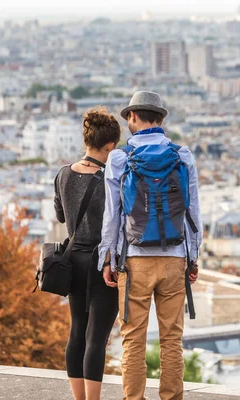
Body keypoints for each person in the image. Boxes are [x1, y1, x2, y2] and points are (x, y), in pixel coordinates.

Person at [98, 91, 202, 400]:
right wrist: (193, 257)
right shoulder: (182, 155)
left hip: (135, 260)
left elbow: (112, 216)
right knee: (172, 339)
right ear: (160, 119)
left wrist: (108, 258)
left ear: (132, 116)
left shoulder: (120, 158)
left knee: (133, 339)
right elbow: (193, 210)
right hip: (174, 257)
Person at [54, 107, 121, 400]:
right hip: (100, 262)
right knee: (97, 337)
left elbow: (60, 216)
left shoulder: (63, 174)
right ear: (109, 145)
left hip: (73, 261)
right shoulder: (108, 179)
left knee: (77, 331)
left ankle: (79, 398)